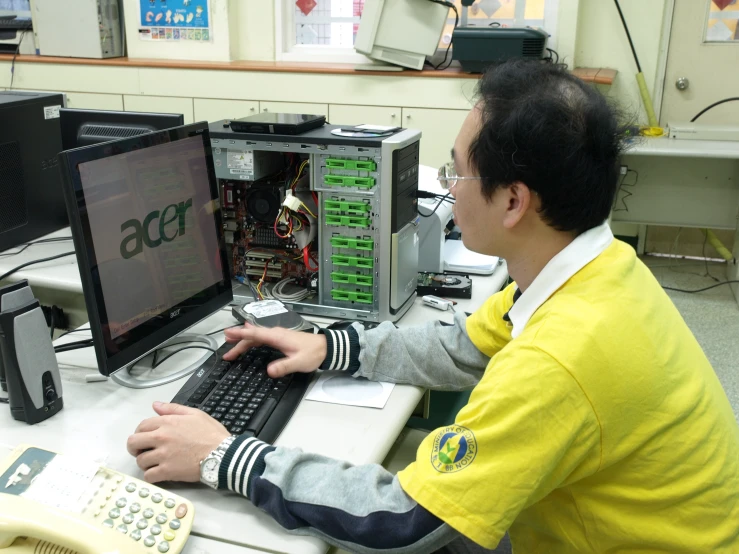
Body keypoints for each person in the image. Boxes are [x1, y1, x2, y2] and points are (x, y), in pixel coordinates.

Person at [127, 60, 739, 553]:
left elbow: (405, 521)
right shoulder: (594, 271)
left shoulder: (562, 357)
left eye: (457, 172)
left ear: (514, 202)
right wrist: (330, 346)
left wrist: (223, 457)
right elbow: (467, 345)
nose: (447, 186)